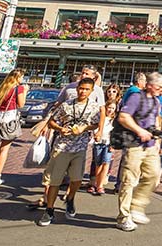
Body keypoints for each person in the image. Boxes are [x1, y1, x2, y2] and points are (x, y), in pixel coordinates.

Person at [37, 77, 101, 226]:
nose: (83, 91)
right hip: (62, 146)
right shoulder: (66, 105)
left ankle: (70, 198)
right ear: (77, 88)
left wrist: (85, 128)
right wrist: (60, 129)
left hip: (80, 147)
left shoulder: (94, 107)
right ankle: (49, 210)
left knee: (77, 179)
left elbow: (96, 124)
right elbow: (52, 121)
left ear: (91, 91)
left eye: (86, 89)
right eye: (81, 88)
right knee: (55, 181)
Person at [116, 72, 162, 232]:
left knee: (153, 174)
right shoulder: (136, 97)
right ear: (150, 85)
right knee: (129, 180)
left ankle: (136, 205)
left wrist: (157, 140)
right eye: (160, 87)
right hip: (134, 144)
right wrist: (139, 131)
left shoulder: (157, 102)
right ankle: (123, 217)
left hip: (150, 145)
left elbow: (156, 120)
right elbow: (123, 117)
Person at [89, 100, 117, 195]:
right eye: (109, 107)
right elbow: (95, 128)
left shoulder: (114, 120)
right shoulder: (101, 118)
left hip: (108, 143)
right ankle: (96, 183)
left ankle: (100, 185)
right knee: (98, 164)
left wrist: (113, 144)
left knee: (106, 163)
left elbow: (115, 133)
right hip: (99, 142)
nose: (110, 110)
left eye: (113, 108)